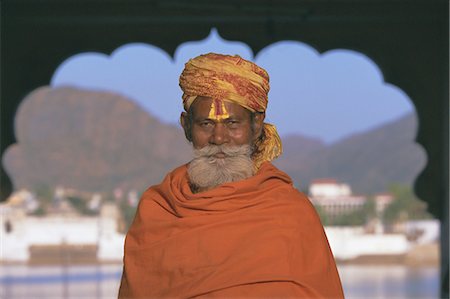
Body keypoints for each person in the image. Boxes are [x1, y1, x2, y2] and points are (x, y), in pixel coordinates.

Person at [118, 53, 344, 298]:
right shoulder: (159, 210)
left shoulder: (290, 214)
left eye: (233, 124)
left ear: (256, 126)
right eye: (205, 124)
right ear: (186, 126)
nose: (219, 138)